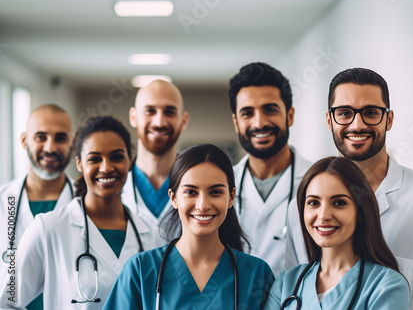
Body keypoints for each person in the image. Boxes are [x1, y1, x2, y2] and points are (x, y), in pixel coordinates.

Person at [0, 116, 162, 310]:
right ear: (79, 163)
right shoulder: (47, 229)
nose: (106, 167)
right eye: (95, 158)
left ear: (129, 161)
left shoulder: (154, 239)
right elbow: (6, 302)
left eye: (117, 157)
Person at [285, 67, 413, 308]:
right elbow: (296, 288)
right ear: (329, 120)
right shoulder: (301, 207)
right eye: (344, 113)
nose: (357, 125)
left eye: (371, 112)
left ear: (389, 119)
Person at [103, 144, 275, 310]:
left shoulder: (257, 275)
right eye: (191, 192)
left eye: (215, 192)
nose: (202, 205)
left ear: (231, 197)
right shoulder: (141, 271)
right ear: (173, 198)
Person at [265, 157, 410, 309]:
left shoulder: (387, 285)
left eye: (339, 203)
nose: (323, 215)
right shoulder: (286, 283)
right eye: (313, 203)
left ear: (360, 211)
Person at [229, 62, 311, 275]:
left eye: (270, 109)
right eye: (247, 113)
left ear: (289, 115)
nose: (259, 123)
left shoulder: (318, 182)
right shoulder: (222, 184)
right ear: (236, 122)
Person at [0, 104, 73, 310]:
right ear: (24, 141)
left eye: (60, 138)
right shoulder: (3, 202)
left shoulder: (86, 204)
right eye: (41, 137)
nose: (50, 148)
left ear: (72, 142)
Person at [122, 80, 189, 232]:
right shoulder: (118, 187)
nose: (159, 122)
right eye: (150, 111)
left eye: (170, 112)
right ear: (133, 117)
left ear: (183, 121)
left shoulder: (196, 184)